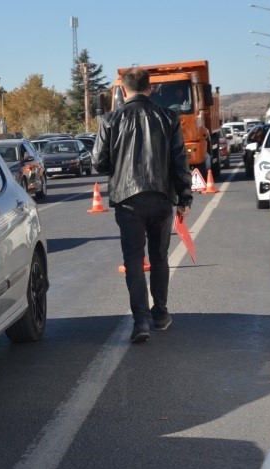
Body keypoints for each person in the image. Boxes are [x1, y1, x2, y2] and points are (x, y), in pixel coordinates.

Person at [94, 67, 192, 343]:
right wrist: (184, 198)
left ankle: (141, 323)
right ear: (151, 88)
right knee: (160, 258)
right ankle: (160, 314)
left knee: (134, 261)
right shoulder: (168, 117)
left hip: (127, 202)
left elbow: (98, 163)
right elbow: (179, 162)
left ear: (124, 90)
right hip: (161, 198)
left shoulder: (110, 120)